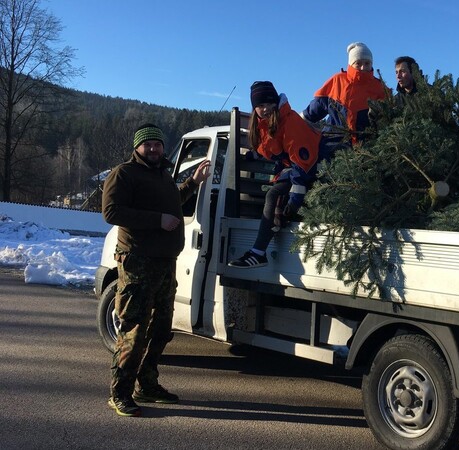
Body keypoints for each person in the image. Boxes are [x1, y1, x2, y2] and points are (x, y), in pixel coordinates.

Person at [102, 123, 211, 417]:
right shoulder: (124, 174)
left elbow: (174, 202)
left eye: (157, 144)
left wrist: (193, 183)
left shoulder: (163, 174)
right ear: (137, 148)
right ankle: (120, 393)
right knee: (134, 330)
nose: (153, 149)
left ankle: (147, 385)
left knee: (161, 330)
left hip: (165, 264)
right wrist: (157, 220)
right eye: (147, 144)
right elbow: (111, 212)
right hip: (138, 262)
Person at [228, 81, 324, 268]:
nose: (265, 109)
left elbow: (301, 161)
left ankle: (258, 252)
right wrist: (251, 155)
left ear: (275, 103)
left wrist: (295, 199)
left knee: (274, 194)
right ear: (254, 108)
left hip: (316, 166)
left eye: (268, 104)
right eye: (260, 106)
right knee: (276, 194)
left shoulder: (289, 121)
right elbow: (272, 149)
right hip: (296, 168)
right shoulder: (265, 125)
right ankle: (259, 250)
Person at [301, 42, 388, 145]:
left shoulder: (379, 88)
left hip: (368, 150)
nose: (363, 67)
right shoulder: (337, 81)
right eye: (358, 63)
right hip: (333, 148)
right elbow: (315, 109)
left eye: (367, 63)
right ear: (351, 64)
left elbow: (389, 118)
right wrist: (298, 120)